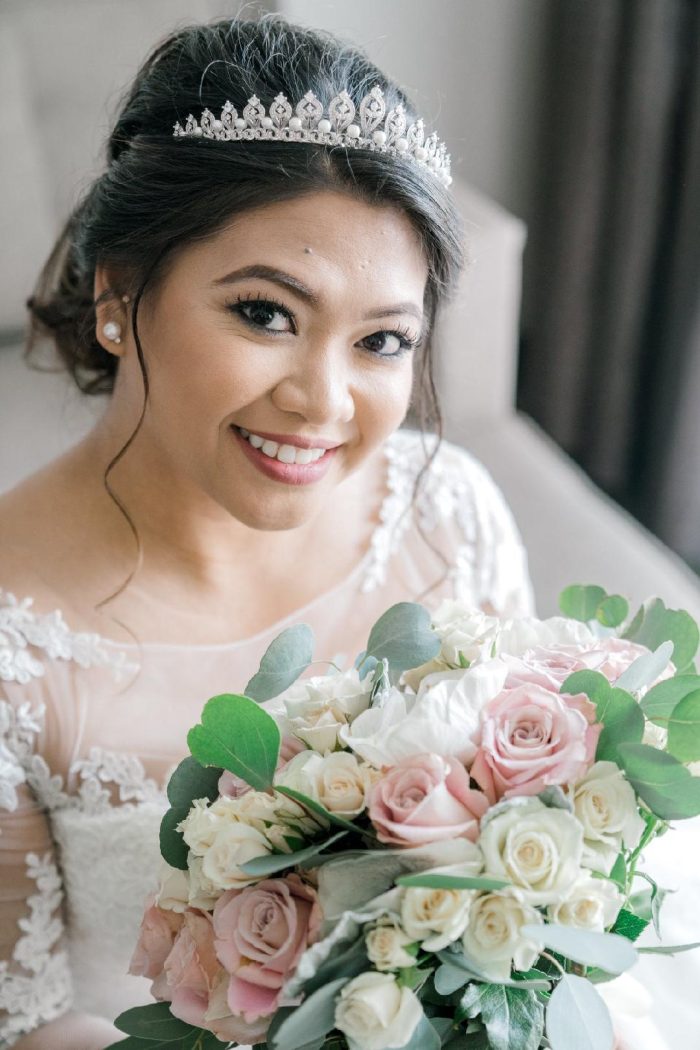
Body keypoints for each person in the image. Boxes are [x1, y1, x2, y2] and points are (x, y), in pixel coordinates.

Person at [0, 14, 536, 1047]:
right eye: (264, 313)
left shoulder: (447, 513)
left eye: (382, 340)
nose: (323, 402)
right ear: (118, 289)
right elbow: (21, 1021)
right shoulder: (13, 642)